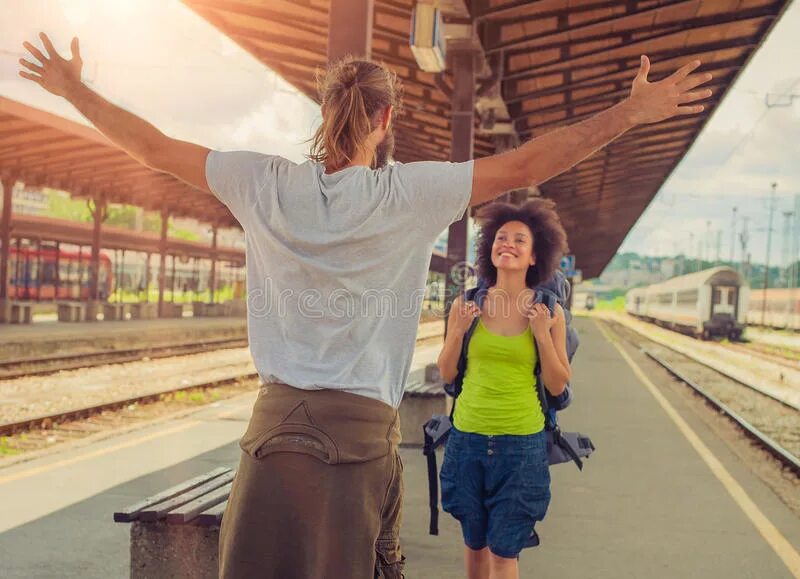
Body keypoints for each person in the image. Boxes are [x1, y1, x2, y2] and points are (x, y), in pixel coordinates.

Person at [19, 32, 712, 578]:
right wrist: (632, 111)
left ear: (324, 112)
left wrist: (72, 87)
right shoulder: (409, 194)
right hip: (356, 445)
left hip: (270, 436)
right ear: (386, 119)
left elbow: (151, 147)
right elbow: (529, 166)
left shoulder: (259, 180)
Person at [437, 199, 569, 579]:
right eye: (500, 237)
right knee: (474, 545)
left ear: (533, 256)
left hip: (522, 445)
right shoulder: (466, 304)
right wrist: (457, 332)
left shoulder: (549, 311)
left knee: (504, 552)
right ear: (489, 249)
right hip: (467, 440)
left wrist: (543, 336)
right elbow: (447, 374)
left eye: (519, 240)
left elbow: (558, 382)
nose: (507, 244)